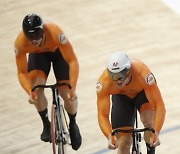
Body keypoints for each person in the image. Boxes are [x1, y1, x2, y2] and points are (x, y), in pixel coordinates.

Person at [14, 13, 82, 150]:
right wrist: (29, 91)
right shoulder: (20, 42)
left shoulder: (55, 32)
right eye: (31, 39)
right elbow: (21, 72)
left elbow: (72, 61)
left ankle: (73, 123)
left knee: (66, 93)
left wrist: (72, 88)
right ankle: (46, 124)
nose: (34, 42)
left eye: (37, 38)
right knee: (36, 90)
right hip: (38, 57)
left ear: (43, 31)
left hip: (59, 54)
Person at [96, 52, 166, 154]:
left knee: (149, 123)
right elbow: (102, 114)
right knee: (123, 143)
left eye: (121, 75)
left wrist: (156, 132)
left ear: (129, 71)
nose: (117, 80)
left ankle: (151, 150)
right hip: (121, 97)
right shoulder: (104, 82)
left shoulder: (142, 73)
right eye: (113, 75)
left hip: (142, 94)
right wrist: (109, 135)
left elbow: (159, 105)